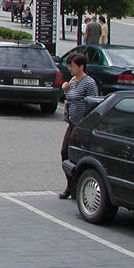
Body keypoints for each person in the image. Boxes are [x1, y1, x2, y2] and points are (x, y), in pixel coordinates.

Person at [59, 53, 99, 199]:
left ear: (81, 67)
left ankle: (77, 186)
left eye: (73, 66)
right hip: (72, 123)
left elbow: (94, 103)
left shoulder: (89, 83)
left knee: (81, 157)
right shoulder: (73, 81)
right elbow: (70, 98)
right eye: (69, 66)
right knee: (65, 152)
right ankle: (70, 185)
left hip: (83, 126)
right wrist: (65, 89)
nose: (70, 68)